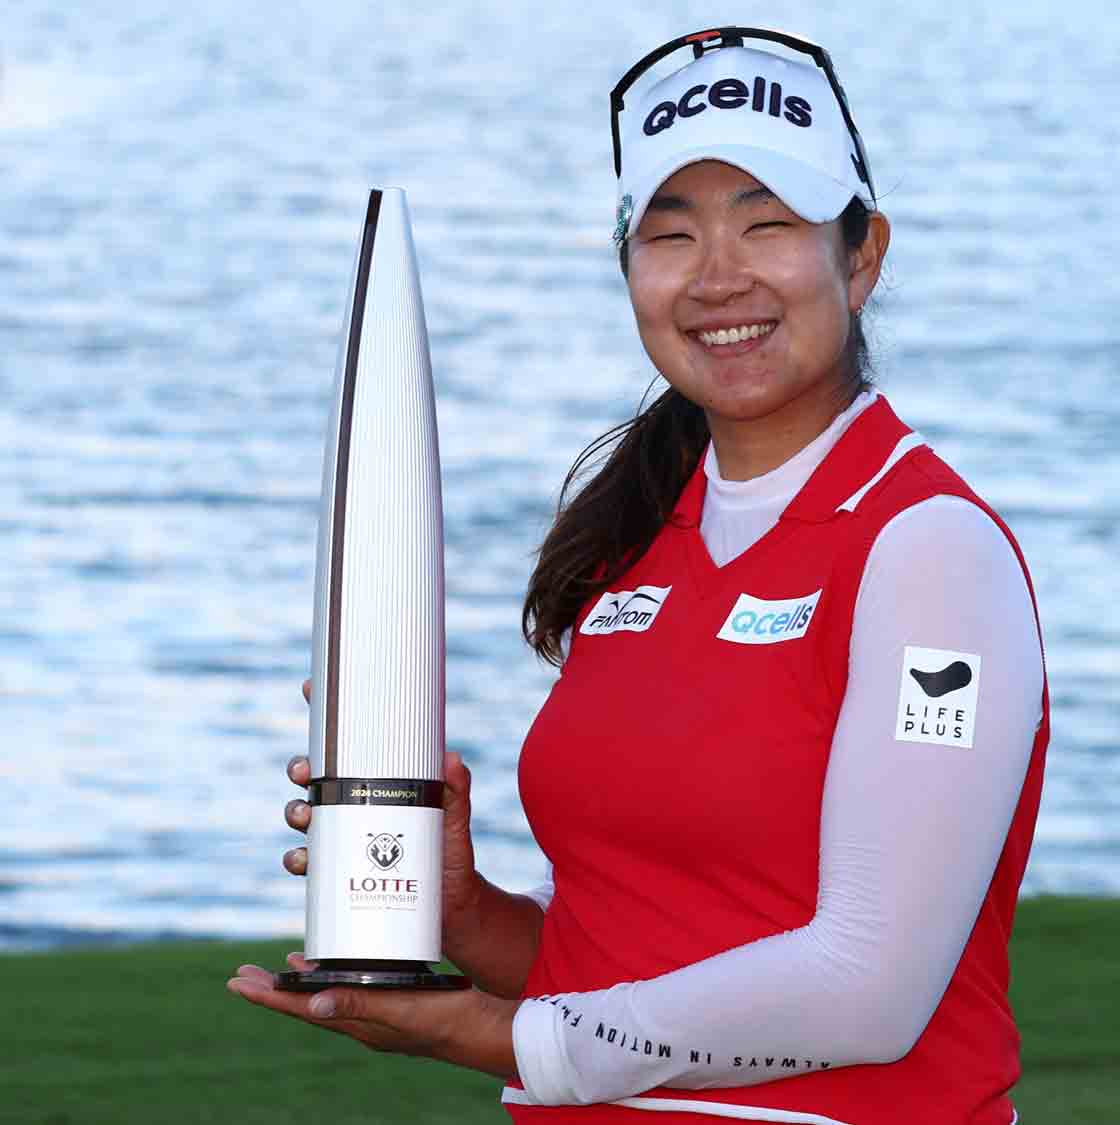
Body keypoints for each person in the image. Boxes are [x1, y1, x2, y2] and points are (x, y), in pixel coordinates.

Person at [227, 27, 1051, 1125]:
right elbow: (623, 966)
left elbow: (869, 989)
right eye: (671, 236)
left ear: (860, 256)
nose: (718, 277)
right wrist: (464, 917)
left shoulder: (929, 551)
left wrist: (502, 1040)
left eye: (767, 224)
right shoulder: (632, 545)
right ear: (628, 270)